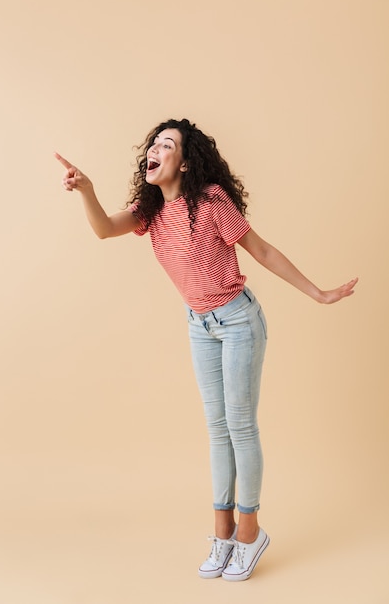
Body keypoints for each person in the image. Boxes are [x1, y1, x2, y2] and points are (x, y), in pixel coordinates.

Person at [55, 118, 358, 582]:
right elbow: (103, 229)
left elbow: (261, 250)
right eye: (153, 144)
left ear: (186, 161)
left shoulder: (212, 201)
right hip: (199, 325)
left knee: (239, 425)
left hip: (238, 321)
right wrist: (87, 190)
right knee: (217, 429)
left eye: (167, 145)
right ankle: (222, 533)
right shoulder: (150, 209)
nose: (154, 150)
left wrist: (318, 293)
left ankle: (250, 533)